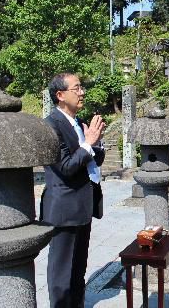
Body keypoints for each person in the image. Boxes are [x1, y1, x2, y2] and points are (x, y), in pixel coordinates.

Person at [42, 73, 106, 308]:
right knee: (61, 273)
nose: (82, 92)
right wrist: (88, 143)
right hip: (64, 208)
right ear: (60, 95)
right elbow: (66, 167)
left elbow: (92, 160)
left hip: (82, 205)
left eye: (82, 87)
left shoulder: (78, 123)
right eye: (76, 88)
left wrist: (96, 142)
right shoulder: (51, 126)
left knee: (78, 268)